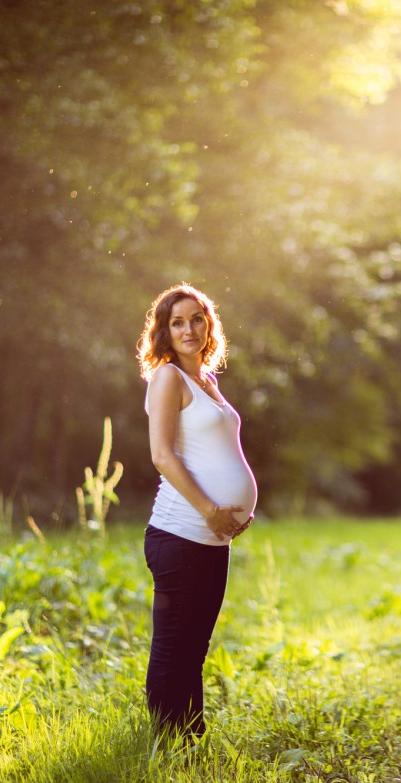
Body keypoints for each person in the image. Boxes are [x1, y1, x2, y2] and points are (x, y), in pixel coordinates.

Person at [136, 282, 257, 738]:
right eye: (177, 322)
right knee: (172, 648)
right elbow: (162, 455)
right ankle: (165, 745)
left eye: (197, 319)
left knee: (194, 649)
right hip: (180, 532)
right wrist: (211, 510)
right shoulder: (169, 377)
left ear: (210, 325)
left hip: (212, 535)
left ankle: (190, 741)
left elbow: (219, 453)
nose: (189, 329)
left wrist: (237, 510)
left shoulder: (208, 381)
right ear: (165, 332)